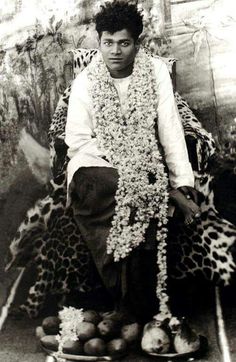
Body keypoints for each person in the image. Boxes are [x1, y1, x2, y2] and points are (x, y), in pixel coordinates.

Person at [65, 1, 200, 321]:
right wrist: (128, 160)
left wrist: (183, 179)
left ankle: (130, 305)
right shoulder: (86, 82)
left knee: (136, 192)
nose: (115, 51)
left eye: (123, 43)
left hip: (144, 161)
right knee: (120, 183)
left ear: (136, 44)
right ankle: (164, 192)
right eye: (107, 43)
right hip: (95, 164)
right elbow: (77, 141)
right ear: (98, 43)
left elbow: (169, 127)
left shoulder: (154, 73)